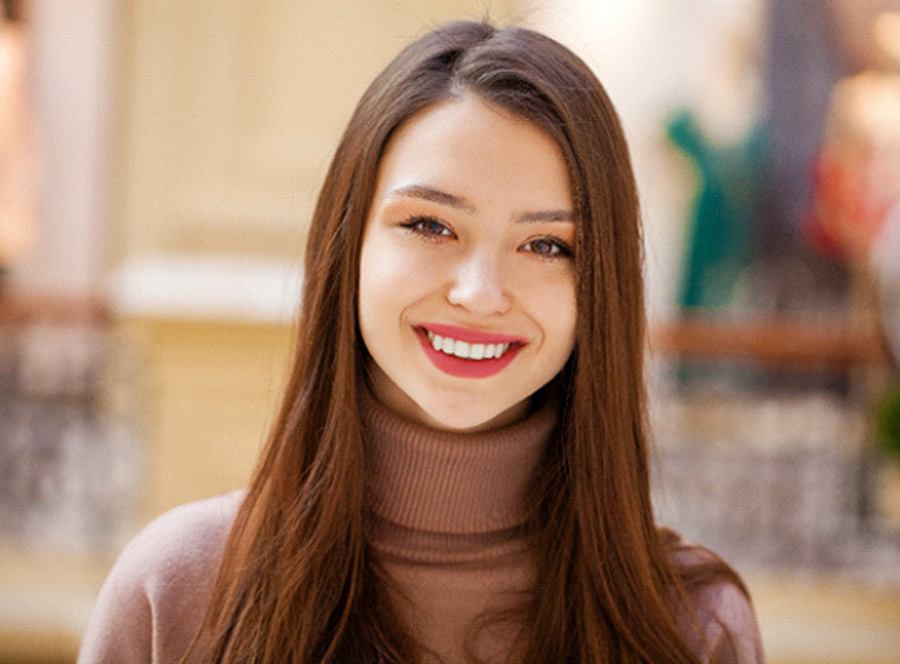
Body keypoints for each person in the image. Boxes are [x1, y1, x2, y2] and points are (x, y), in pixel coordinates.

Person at [78, 21, 764, 664]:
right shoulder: (175, 592)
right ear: (349, 243)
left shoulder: (692, 625)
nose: (480, 292)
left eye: (547, 244)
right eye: (431, 226)